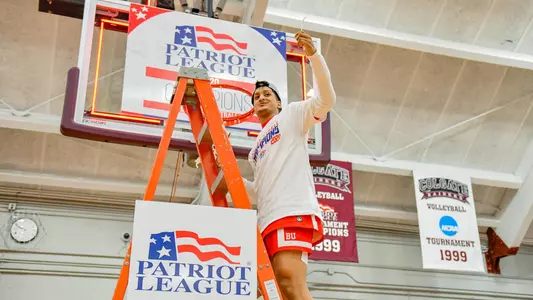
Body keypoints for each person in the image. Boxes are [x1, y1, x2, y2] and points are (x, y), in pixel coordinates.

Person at [243, 31, 336, 300]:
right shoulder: (254, 151)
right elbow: (258, 191)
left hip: (292, 209)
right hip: (266, 218)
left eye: (266, 94)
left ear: (278, 102)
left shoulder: (292, 115)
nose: (261, 97)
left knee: (289, 278)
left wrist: (315, 58)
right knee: (268, 289)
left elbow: (326, 101)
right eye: (256, 96)